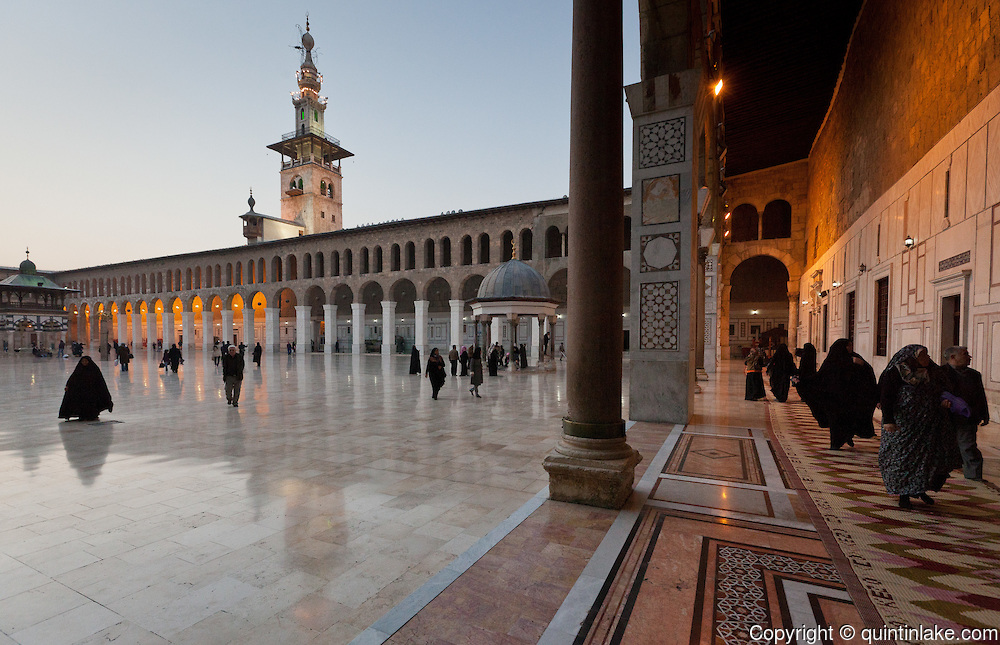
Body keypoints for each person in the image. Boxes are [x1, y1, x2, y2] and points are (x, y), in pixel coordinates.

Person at [878, 344, 961, 509]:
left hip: (927, 426)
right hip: (903, 426)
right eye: (923, 355)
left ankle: (920, 489)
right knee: (902, 459)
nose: (927, 358)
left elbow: (944, 389)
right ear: (911, 357)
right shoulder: (897, 371)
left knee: (926, 460)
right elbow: (886, 396)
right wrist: (888, 420)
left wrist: (944, 400)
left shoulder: (934, 371)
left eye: (927, 355)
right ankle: (903, 494)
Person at [807, 339, 879, 450]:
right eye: (849, 346)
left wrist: (861, 365)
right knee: (836, 421)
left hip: (849, 398)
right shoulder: (833, 360)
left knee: (847, 420)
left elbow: (867, 373)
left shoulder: (855, 357)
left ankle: (846, 437)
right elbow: (822, 376)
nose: (851, 348)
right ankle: (836, 443)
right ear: (844, 347)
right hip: (834, 399)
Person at [943, 345, 990, 481]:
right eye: (965, 354)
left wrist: (984, 414)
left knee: (968, 447)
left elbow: (980, 396)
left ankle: (974, 477)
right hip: (946, 417)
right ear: (952, 357)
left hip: (966, 418)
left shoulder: (974, 375)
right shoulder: (940, 373)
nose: (969, 357)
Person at [58, 356, 113, 421]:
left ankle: (93, 415)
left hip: (92, 392)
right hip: (82, 392)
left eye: (86, 361)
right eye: (83, 361)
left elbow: (100, 381)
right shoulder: (79, 369)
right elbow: (72, 379)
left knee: (91, 404)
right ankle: (82, 415)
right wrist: (68, 386)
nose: (84, 362)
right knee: (82, 404)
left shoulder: (94, 369)